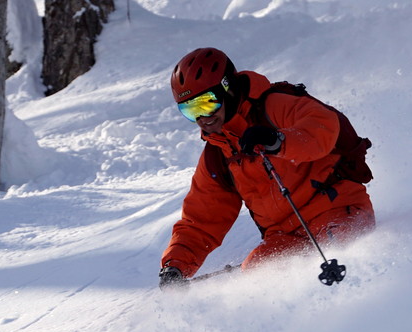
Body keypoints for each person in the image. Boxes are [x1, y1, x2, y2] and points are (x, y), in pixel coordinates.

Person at [158, 48, 375, 288]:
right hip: (285, 238)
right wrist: (175, 265)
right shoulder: (218, 155)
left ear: (227, 89)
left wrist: (278, 141)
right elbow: (201, 219)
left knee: (339, 248)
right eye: (189, 110)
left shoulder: (272, 107)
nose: (202, 118)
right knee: (257, 275)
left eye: (207, 103)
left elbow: (322, 127)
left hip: (339, 210)